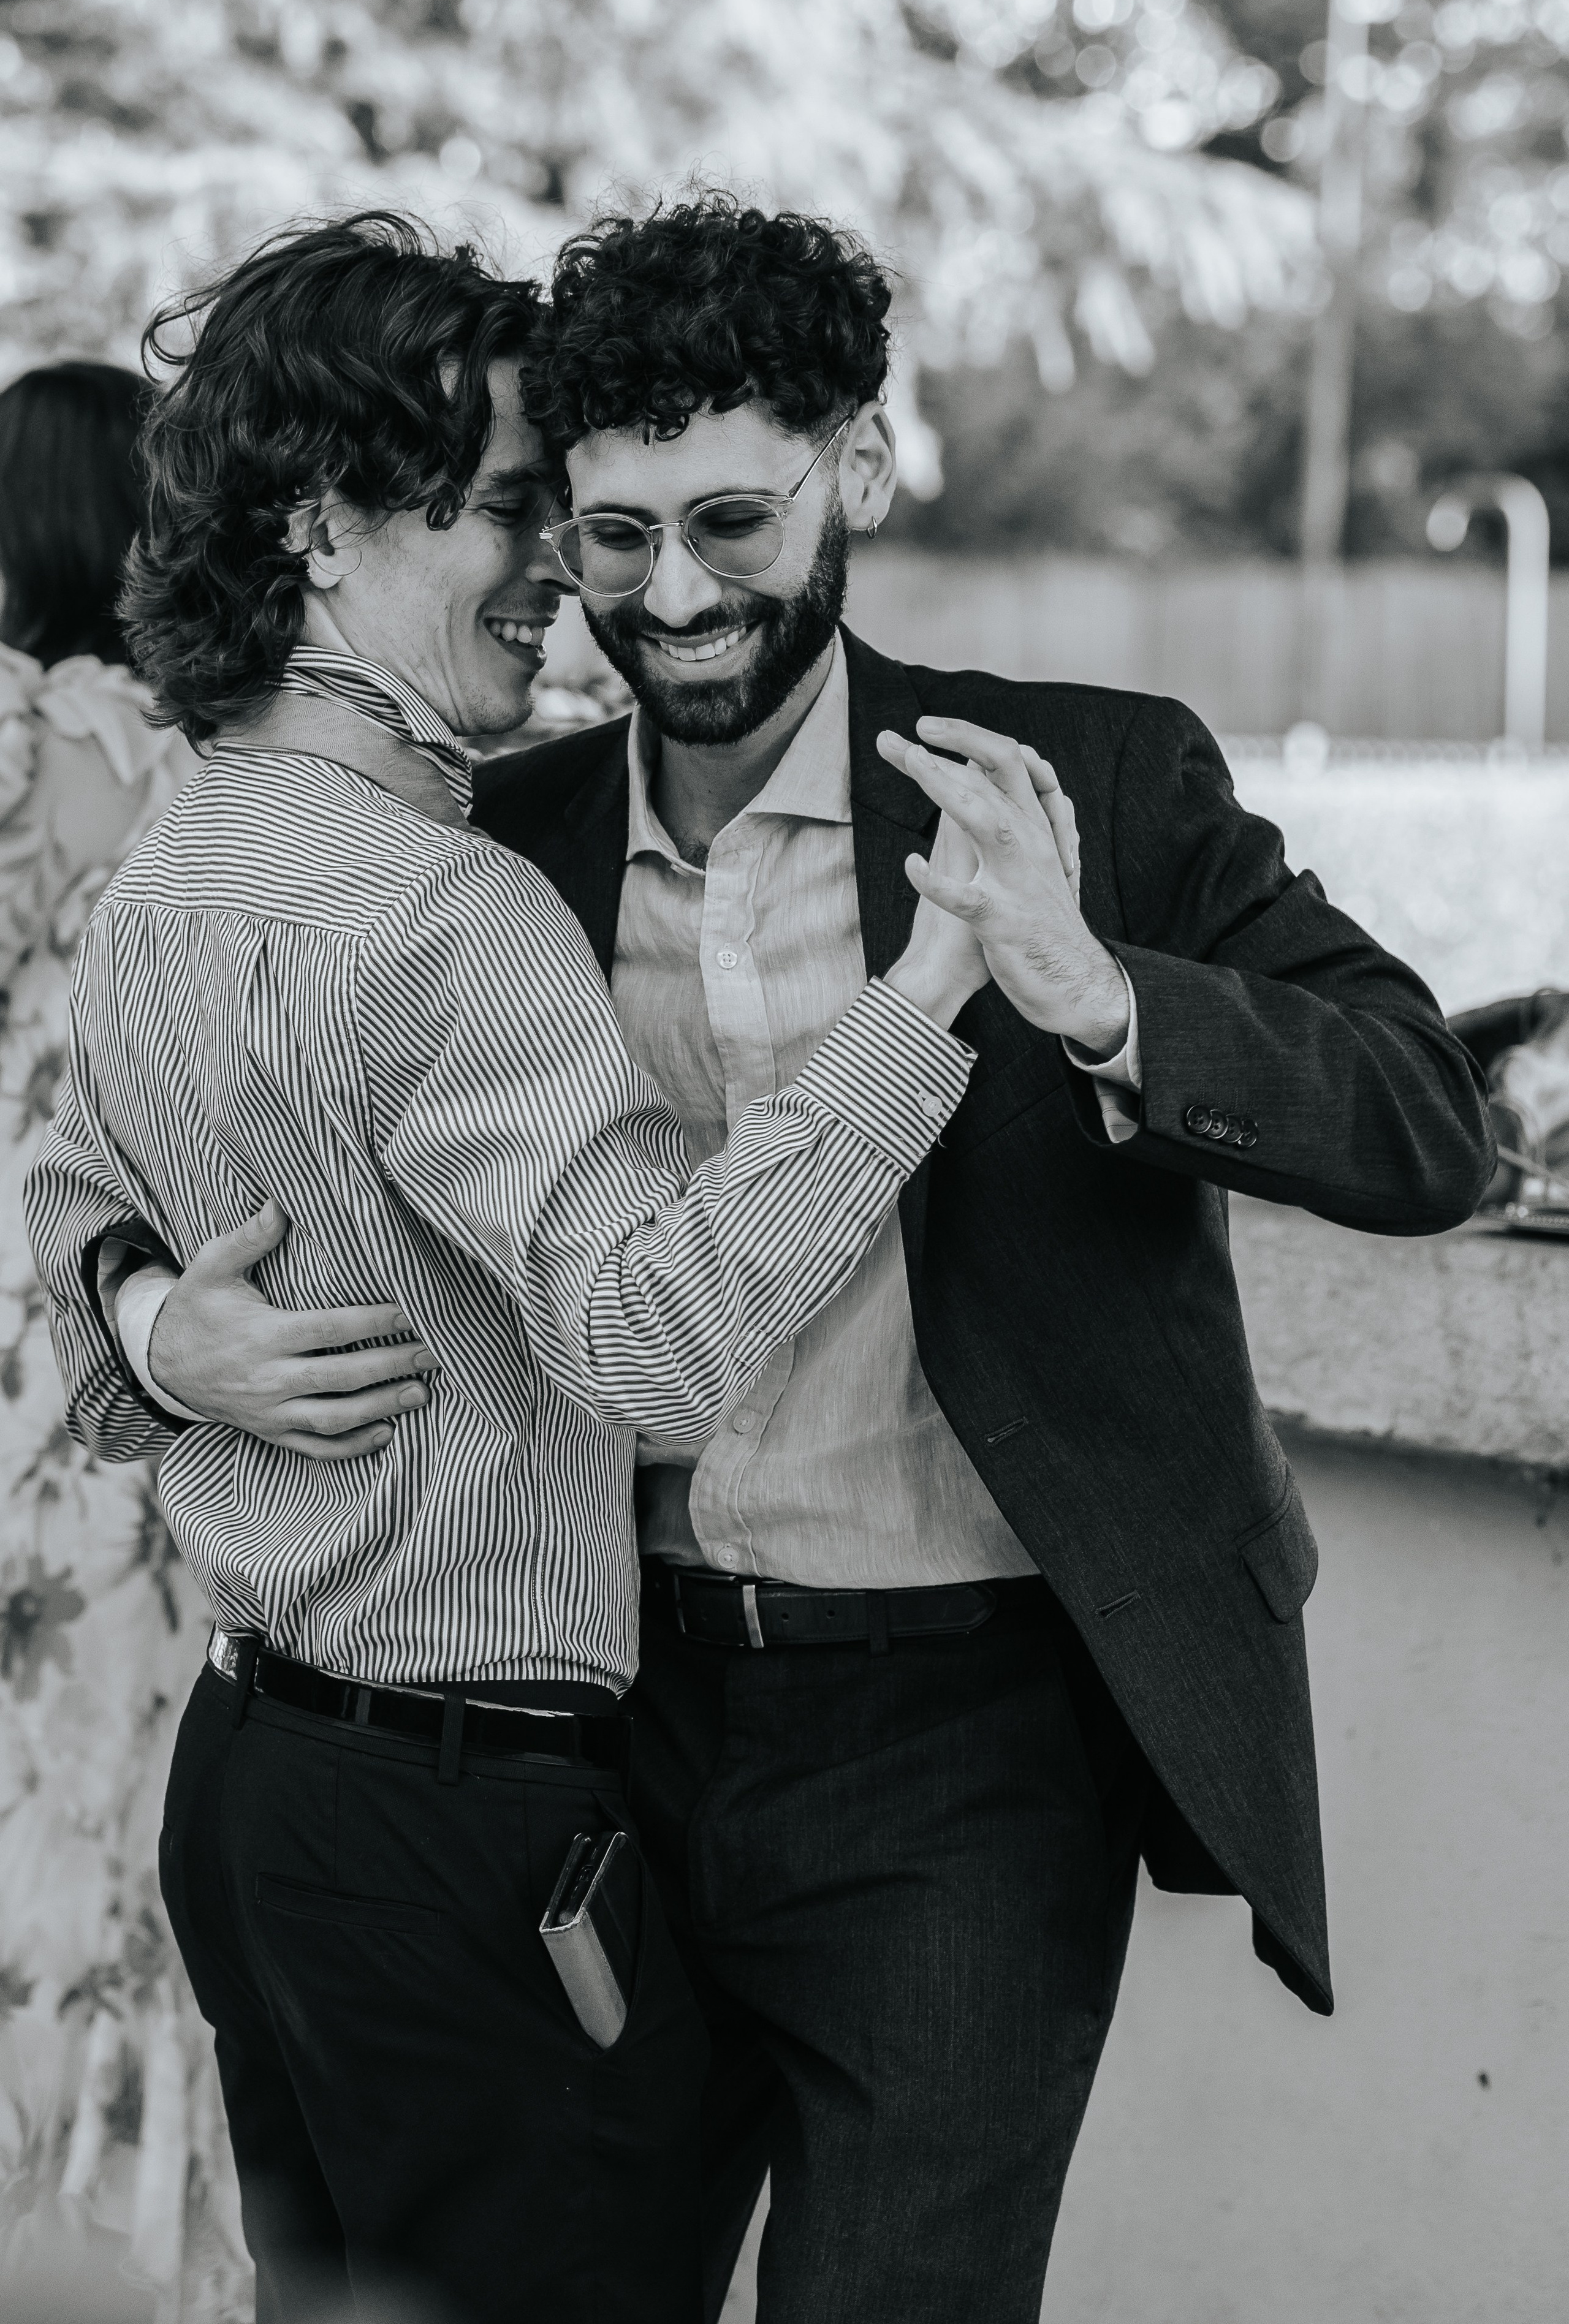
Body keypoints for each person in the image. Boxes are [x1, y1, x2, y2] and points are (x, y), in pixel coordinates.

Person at [90, 202, 1494, 2323]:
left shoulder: (1088, 777)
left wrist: (1094, 991)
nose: (664, 595)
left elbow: (1430, 1122)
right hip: (600, 1749)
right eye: (606, 532)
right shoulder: (491, 832)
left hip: (958, 1763)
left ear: (859, 462)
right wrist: (154, 1321)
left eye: (730, 519)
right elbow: (187, 1111)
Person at [22, 214, 999, 2324]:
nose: (557, 562)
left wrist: (148, 1333)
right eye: (495, 510)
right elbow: (647, 1336)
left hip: (249, 1792)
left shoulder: (177, 855)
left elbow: (56, 1203)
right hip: (457, 1841)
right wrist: (929, 992)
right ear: (320, 532)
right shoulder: (451, 914)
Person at [0, 362, 251, 2315]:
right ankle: (137, 2221)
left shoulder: (12, 738)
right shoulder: (235, 768)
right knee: (140, 1766)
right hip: (156, 1328)